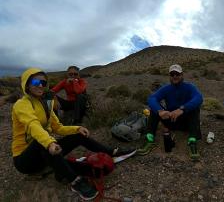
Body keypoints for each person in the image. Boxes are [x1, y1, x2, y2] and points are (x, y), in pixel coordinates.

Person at [12, 68, 135, 201]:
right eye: (36, 81)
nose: (40, 85)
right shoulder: (21, 104)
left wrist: (77, 128)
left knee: (78, 137)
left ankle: (111, 152)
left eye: (43, 82)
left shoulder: (46, 104)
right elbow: (32, 124)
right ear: (26, 83)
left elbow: (57, 127)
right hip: (25, 160)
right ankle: (75, 182)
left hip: (46, 152)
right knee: (41, 142)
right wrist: (49, 143)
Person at [137, 64, 203, 161]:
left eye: (177, 74)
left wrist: (182, 109)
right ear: (170, 76)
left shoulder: (189, 87)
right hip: (171, 121)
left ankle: (192, 141)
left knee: (194, 108)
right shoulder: (166, 88)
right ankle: (149, 139)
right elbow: (152, 98)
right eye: (172, 74)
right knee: (154, 110)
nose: (175, 76)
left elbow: (199, 98)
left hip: (186, 123)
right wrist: (160, 111)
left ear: (182, 75)